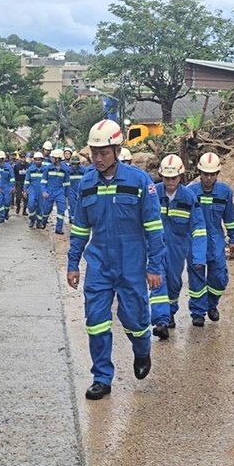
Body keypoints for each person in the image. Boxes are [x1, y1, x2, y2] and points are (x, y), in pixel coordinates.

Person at [67, 119, 165, 400]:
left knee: (133, 319)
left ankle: (142, 348)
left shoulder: (139, 181)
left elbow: (154, 228)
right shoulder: (86, 183)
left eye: (103, 153)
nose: (97, 158)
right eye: (94, 153)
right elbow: (80, 228)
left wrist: (155, 266)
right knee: (96, 320)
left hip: (132, 262)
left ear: (118, 150)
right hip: (99, 263)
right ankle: (102, 377)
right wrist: (74, 263)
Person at [150, 155, 207, 337]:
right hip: (155, 248)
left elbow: (198, 228)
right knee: (158, 281)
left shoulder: (189, 197)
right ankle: (160, 321)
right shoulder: (152, 193)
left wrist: (198, 256)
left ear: (180, 177)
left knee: (174, 284)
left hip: (178, 249)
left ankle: (170, 312)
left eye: (173, 178)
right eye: (166, 178)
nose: (169, 182)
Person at [187, 152, 234, 326]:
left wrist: (233, 238)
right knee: (196, 278)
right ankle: (198, 313)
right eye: (205, 174)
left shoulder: (225, 193)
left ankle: (212, 305)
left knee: (219, 277)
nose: (208, 178)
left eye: (212, 174)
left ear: (217, 174)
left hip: (216, 240)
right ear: (199, 172)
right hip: (195, 242)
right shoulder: (190, 192)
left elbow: (230, 217)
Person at [41, 148, 70, 234]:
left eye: (53, 157)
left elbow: (67, 183)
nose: (51, 158)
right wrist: (44, 191)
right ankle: (44, 221)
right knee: (46, 210)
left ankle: (58, 229)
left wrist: (66, 194)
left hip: (60, 192)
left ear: (57, 159)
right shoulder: (48, 168)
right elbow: (43, 182)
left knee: (61, 210)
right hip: (49, 191)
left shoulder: (65, 169)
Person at [24, 152, 46, 229]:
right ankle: (32, 219)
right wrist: (25, 190)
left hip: (41, 190)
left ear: (42, 160)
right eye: (35, 160)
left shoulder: (45, 170)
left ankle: (39, 222)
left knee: (40, 206)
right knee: (31, 205)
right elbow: (27, 181)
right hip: (32, 189)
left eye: (39, 160)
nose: (37, 161)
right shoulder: (30, 169)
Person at [0, 151, 15, 223]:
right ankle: (1, 217)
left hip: (7, 186)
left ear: (2, 159)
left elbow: (12, 177)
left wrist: (12, 186)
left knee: (7, 202)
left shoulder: (8, 167)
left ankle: (6, 212)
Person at [66, 155, 85, 224]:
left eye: (76, 164)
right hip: (71, 189)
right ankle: (72, 218)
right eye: (73, 164)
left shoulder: (83, 170)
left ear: (79, 163)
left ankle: (78, 217)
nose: (74, 165)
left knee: (80, 204)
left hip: (80, 189)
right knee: (72, 204)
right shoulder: (67, 170)